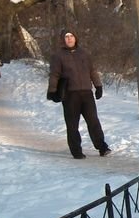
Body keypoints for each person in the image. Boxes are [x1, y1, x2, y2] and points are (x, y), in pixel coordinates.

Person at [47, 31, 111, 159]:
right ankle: (76, 150)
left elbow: (92, 71)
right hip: (70, 95)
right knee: (72, 124)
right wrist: (52, 91)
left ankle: (102, 147)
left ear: (76, 38)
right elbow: (54, 74)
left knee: (93, 121)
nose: (69, 39)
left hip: (87, 93)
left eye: (71, 36)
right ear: (63, 40)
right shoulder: (58, 56)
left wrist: (98, 86)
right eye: (66, 37)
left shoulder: (84, 53)